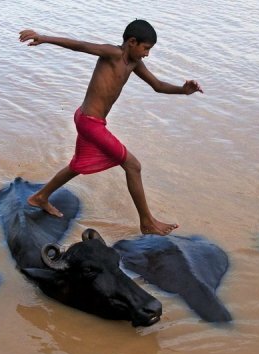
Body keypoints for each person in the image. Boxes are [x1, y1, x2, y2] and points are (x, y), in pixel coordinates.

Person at [19, 20, 203, 236]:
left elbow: (158, 85)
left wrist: (183, 90)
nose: (147, 54)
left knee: (77, 166)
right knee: (133, 165)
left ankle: (39, 197)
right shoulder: (113, 53)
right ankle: (147, 222)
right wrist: (44, 38)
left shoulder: (134, 64)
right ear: (132, 42)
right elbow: (81, 45)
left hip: (89, 120)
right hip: (90, 122)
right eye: (146, 48)